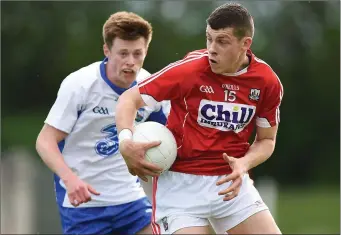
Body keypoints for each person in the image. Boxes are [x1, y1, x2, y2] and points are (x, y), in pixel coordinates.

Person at [115, 2, 283, 235]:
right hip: (180, 187)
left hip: (231, 185)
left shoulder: (266, 82)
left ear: (245, 44)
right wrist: (125, 142)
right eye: (208, 38)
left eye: (222, 41)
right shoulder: (190, 70)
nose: (212, 48)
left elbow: (266, 140)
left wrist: (244, 163)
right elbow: (129, 99)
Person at [36, 11, 169, 235]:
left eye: (138, 54)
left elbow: (169, 134)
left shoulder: (150, 88)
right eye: (123, 53)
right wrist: (70, 180)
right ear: (107, 51)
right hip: (84, 205)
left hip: (130, 199)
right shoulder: (80, 85)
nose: (130, 62)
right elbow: (45, 141)